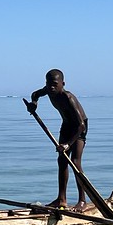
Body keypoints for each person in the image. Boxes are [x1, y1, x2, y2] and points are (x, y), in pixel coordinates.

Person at [26, 69, 89, 212]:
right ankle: (61, 199)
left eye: (54, 84)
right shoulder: (48, 91)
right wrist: (33, 104)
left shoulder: (68, 97)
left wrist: (67, 144)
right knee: (61, 161)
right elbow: (35, 94)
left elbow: (81, 125)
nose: (51, 87)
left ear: (63, 84)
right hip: (66, 125)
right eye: (48, 84)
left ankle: (82, 201)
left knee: (75, 162)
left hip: (80, 128)